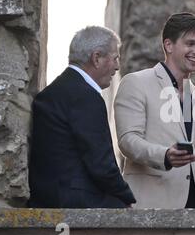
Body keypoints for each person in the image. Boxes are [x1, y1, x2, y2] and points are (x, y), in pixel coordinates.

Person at [114, 12, 195, 209]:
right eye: (190, 43)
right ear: (168, 45)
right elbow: (128, 141)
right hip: (151, 207)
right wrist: (164, 156)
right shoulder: (135, 83)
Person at [28, 26, 136, 208]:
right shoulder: (85, 96)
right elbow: (101, 163)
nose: (117, 67)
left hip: (46, 196)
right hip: (74, 199)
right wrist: (127, 197)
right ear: (97, 58)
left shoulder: (55, 91)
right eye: (115, 58)